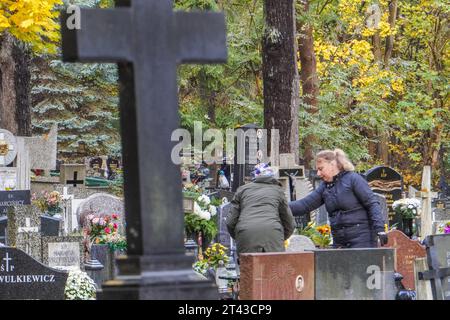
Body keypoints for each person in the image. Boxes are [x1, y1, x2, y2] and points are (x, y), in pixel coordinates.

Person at [289, 149, 388, 248]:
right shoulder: (325, 187)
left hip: (362, 240)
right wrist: (279, 207)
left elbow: (372, 204)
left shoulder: (353, 179)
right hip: (340, 242)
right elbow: (304, 205)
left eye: (321, 169)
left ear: (332, 165)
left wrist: (380, 229)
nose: (318, 173)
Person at [226, 163, 295, 254]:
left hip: (246, 234)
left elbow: (230, 221)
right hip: (273, 234)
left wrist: (240, 235)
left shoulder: (242, 190)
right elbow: (289, 222)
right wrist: (280, 236)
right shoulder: (278, 191)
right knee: (273, 267)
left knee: (248, 267)